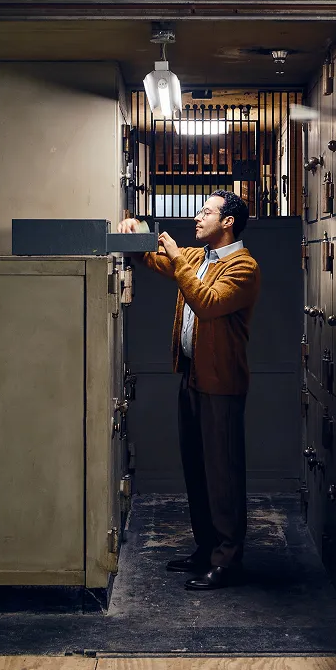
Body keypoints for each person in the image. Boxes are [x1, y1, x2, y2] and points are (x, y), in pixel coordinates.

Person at [117, 190, 260, 590]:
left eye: (206, 212)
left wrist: (179, 259)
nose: (197, 218)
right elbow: (153, 257)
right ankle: (206, 549)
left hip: (222, 382)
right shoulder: (200, 258)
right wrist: (137, 230)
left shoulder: (244, 266)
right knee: (197, 468)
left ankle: (228, 560)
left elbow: (209, 302)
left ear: (228, 222)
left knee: (223, 473)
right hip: (192, 375)